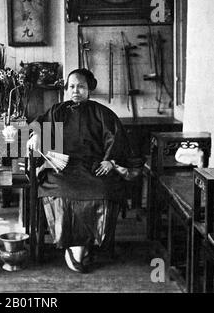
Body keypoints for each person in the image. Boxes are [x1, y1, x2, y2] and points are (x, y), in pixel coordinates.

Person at [27, 68, 143, 273]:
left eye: (81, 86)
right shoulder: (57, 111)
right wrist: (36, 135)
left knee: (102, 189)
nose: (75, 90)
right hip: (62, 169)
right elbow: (38, 124)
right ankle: (74, 246)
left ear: (89, 89)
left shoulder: (101, 113)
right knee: (59, 190)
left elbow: (116, 140)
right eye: (71, 86)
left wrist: (111, 161)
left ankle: (87, 244)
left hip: (93, 167)